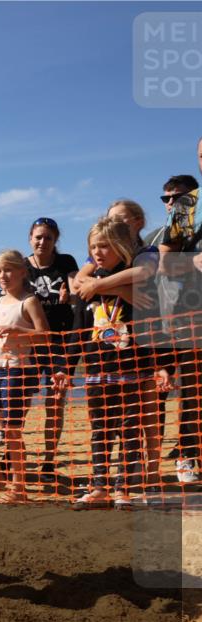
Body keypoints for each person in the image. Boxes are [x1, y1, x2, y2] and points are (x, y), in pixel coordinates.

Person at [72, 218, 168, 507]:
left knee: (129, 431)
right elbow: (78, 329)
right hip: (97, 370)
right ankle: (99, 487)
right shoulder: (85, 287)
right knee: (100, 430)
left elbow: (153, 318)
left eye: (104, 246)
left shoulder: (137, 280)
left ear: (120, 246)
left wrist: (160, 364)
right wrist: (65, 367)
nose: (97, 252)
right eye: (92, 247)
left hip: (133, 368)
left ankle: (122, 489)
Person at [0, 250, 64, 502]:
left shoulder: (29, 301)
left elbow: (45, 336)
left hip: (19, 369)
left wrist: (17, 328)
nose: (3, 275)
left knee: (11, 429)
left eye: (8, 270)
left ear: (22, 272)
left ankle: (18, 487)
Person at [158, 144, 202, 484]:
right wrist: (194, 262)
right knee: (192, 394)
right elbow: (164, 263)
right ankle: (187, 457)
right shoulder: (186, 210)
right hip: (189, 319)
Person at [24, 217, 79, 487]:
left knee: (55, 401)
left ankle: (48, 460)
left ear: (55, 240)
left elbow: (76, 287)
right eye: (38, 237)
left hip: (60, 341)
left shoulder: (65, 262)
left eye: (48, 237)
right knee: (20, 399)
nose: (42, 242)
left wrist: (71, 296)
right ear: (30, 238)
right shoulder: (22, 266)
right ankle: (13, 454)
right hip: (32, 342)